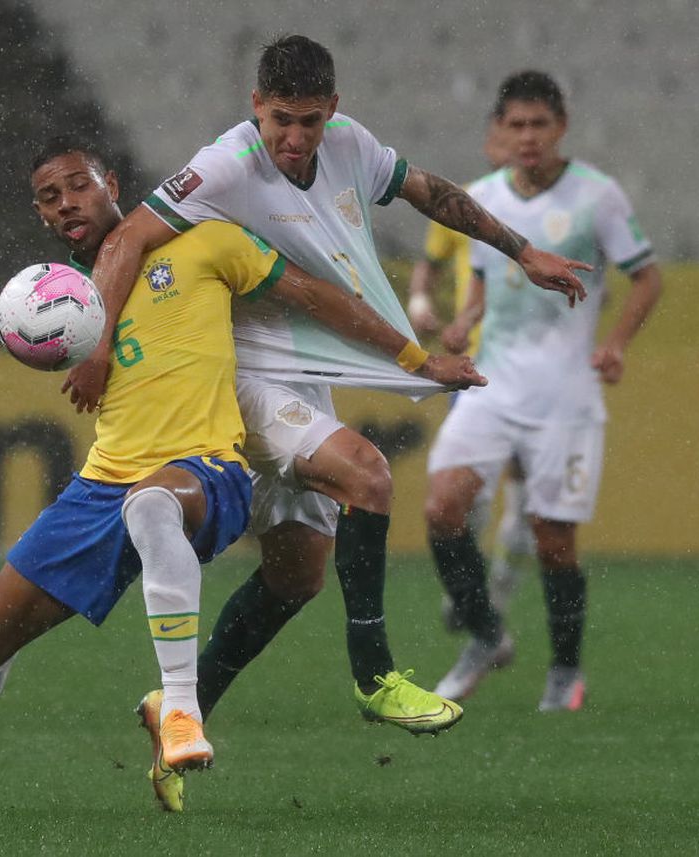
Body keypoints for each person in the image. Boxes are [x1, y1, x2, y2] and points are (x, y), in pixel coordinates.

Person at [0, 139, 480, 815]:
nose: (67, 203)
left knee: (156, 504)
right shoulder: (60, 297)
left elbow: (314, 295)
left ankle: (183, 708)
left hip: (204, 468)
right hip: (104, 481)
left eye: (78, 185)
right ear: (39, 216)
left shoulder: (203, 243)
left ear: (112, 183)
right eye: (49, 197)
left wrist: (417, 360)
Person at [65, 34, 589, 811]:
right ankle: (375, 673)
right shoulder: (224, 165)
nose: (295, 138)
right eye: (281, 119)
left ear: (333, 112)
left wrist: (520, 251)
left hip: (310, 376)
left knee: (296, 576)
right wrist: (98, 338)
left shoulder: (351, 149)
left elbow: (431, 193)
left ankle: (180, 708)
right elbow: (127, 237)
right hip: (243, 372)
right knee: (368, 474)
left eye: (310, 120)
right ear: (255, 108)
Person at [425, 71, 662, 711]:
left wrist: (613, 345)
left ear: (561, 128)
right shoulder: (480, 197)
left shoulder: (598, 197)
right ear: (498, 133)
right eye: (516, 125)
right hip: (491, 383)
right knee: (442, 509)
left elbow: (646, 278)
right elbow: (482, 280)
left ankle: (564, 672)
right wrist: (465, 321)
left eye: (540, 125)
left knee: (554, 543)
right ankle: (485, 635)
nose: (528, 138)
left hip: (564, 394)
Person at [407, 119, 536, 629]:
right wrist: (420, 299)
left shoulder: (558, 215)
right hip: (481, 372)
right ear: (490, 143)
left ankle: (496, 597)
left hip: (538, 377)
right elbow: (430, 264)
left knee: (530, 507)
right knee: (469, 496)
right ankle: (472, 590)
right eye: (508, 136)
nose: (519, 147)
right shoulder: (465, 207)